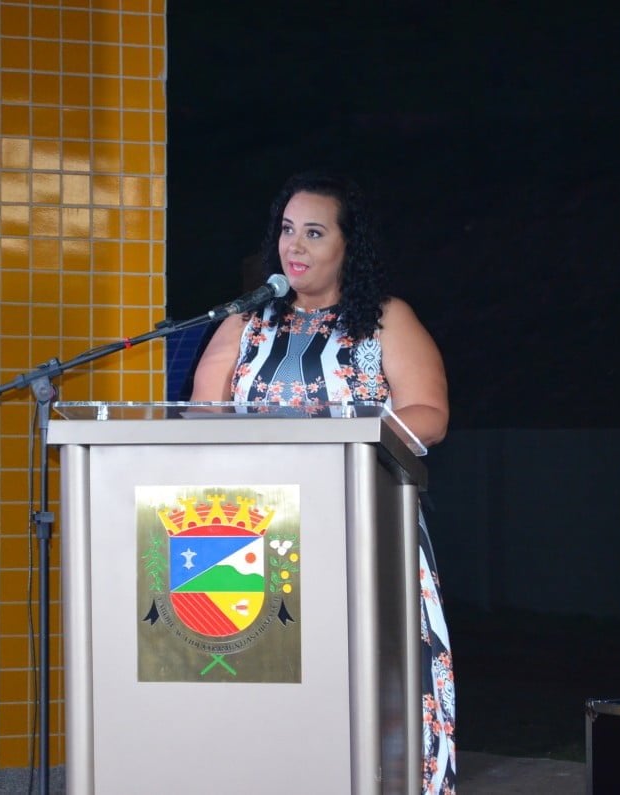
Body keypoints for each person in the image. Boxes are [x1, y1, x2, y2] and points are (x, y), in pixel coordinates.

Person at [190, 171, 456, 792]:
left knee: (365, 683)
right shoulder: (244, 323)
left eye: (314, 232)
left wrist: (339, 434)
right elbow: (202, 415)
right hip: (253, 540)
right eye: (287, 230)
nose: (295, 245)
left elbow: (429, 415)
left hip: (362, 525)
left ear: (347, 245)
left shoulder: (385, 319)